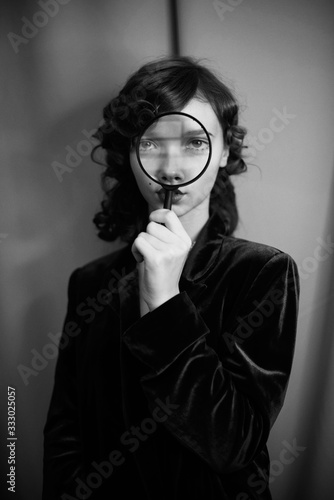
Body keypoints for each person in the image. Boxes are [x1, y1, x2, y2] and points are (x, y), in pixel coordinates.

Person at [43, 56, 300, 500]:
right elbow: (65, 433)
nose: (171, 167)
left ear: (223, 153)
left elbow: (233, 445)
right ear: (129, 153)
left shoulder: (261, 274)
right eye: (151, 143)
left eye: (195, 143)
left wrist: (164, 304)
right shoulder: (89, 283)